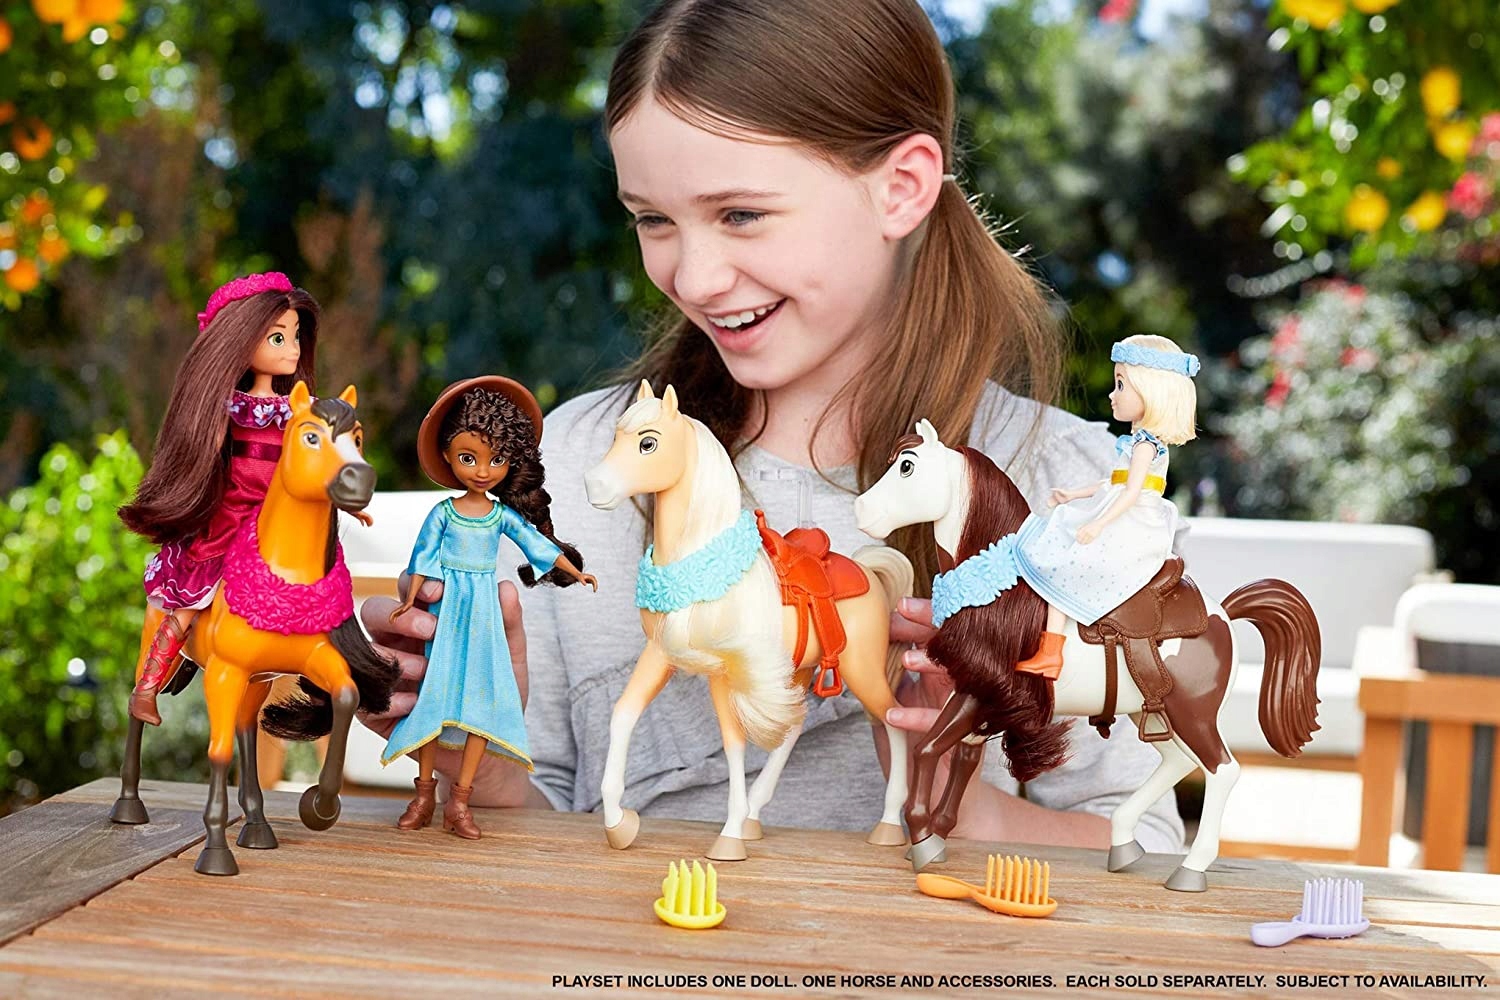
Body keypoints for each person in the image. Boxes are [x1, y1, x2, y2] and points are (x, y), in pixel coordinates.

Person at [362, 0, 1184, 854]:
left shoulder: (1070, 493)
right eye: (653, 219)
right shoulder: (570, 466)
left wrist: (960, 810)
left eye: (741, 215)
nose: (694, 277)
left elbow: (1151, 851)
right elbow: (539, 842)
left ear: (902, 187)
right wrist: (476, 763)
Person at [383, 377, 597, 839]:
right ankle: (424, 794)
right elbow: (423, 556)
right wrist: (410, 600)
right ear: (447, 455)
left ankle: (459, 801)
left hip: (483, 613)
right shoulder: (444, 512)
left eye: (496, 459)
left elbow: (536, 545)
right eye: (469, 458)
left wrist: (575, 572)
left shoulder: (501, 516)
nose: (482, 471)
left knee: (483, 707)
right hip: (448, 611)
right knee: (433, 700)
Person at [119, 273, 336, 726]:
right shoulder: (229, 408)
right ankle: (147, 686)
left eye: (296, 336)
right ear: (240, 342)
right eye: (278, 337)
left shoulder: (300, 409)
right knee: (189, 601)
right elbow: (207, 457)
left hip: (277, 521)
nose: (292, 349)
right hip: (232, 518)